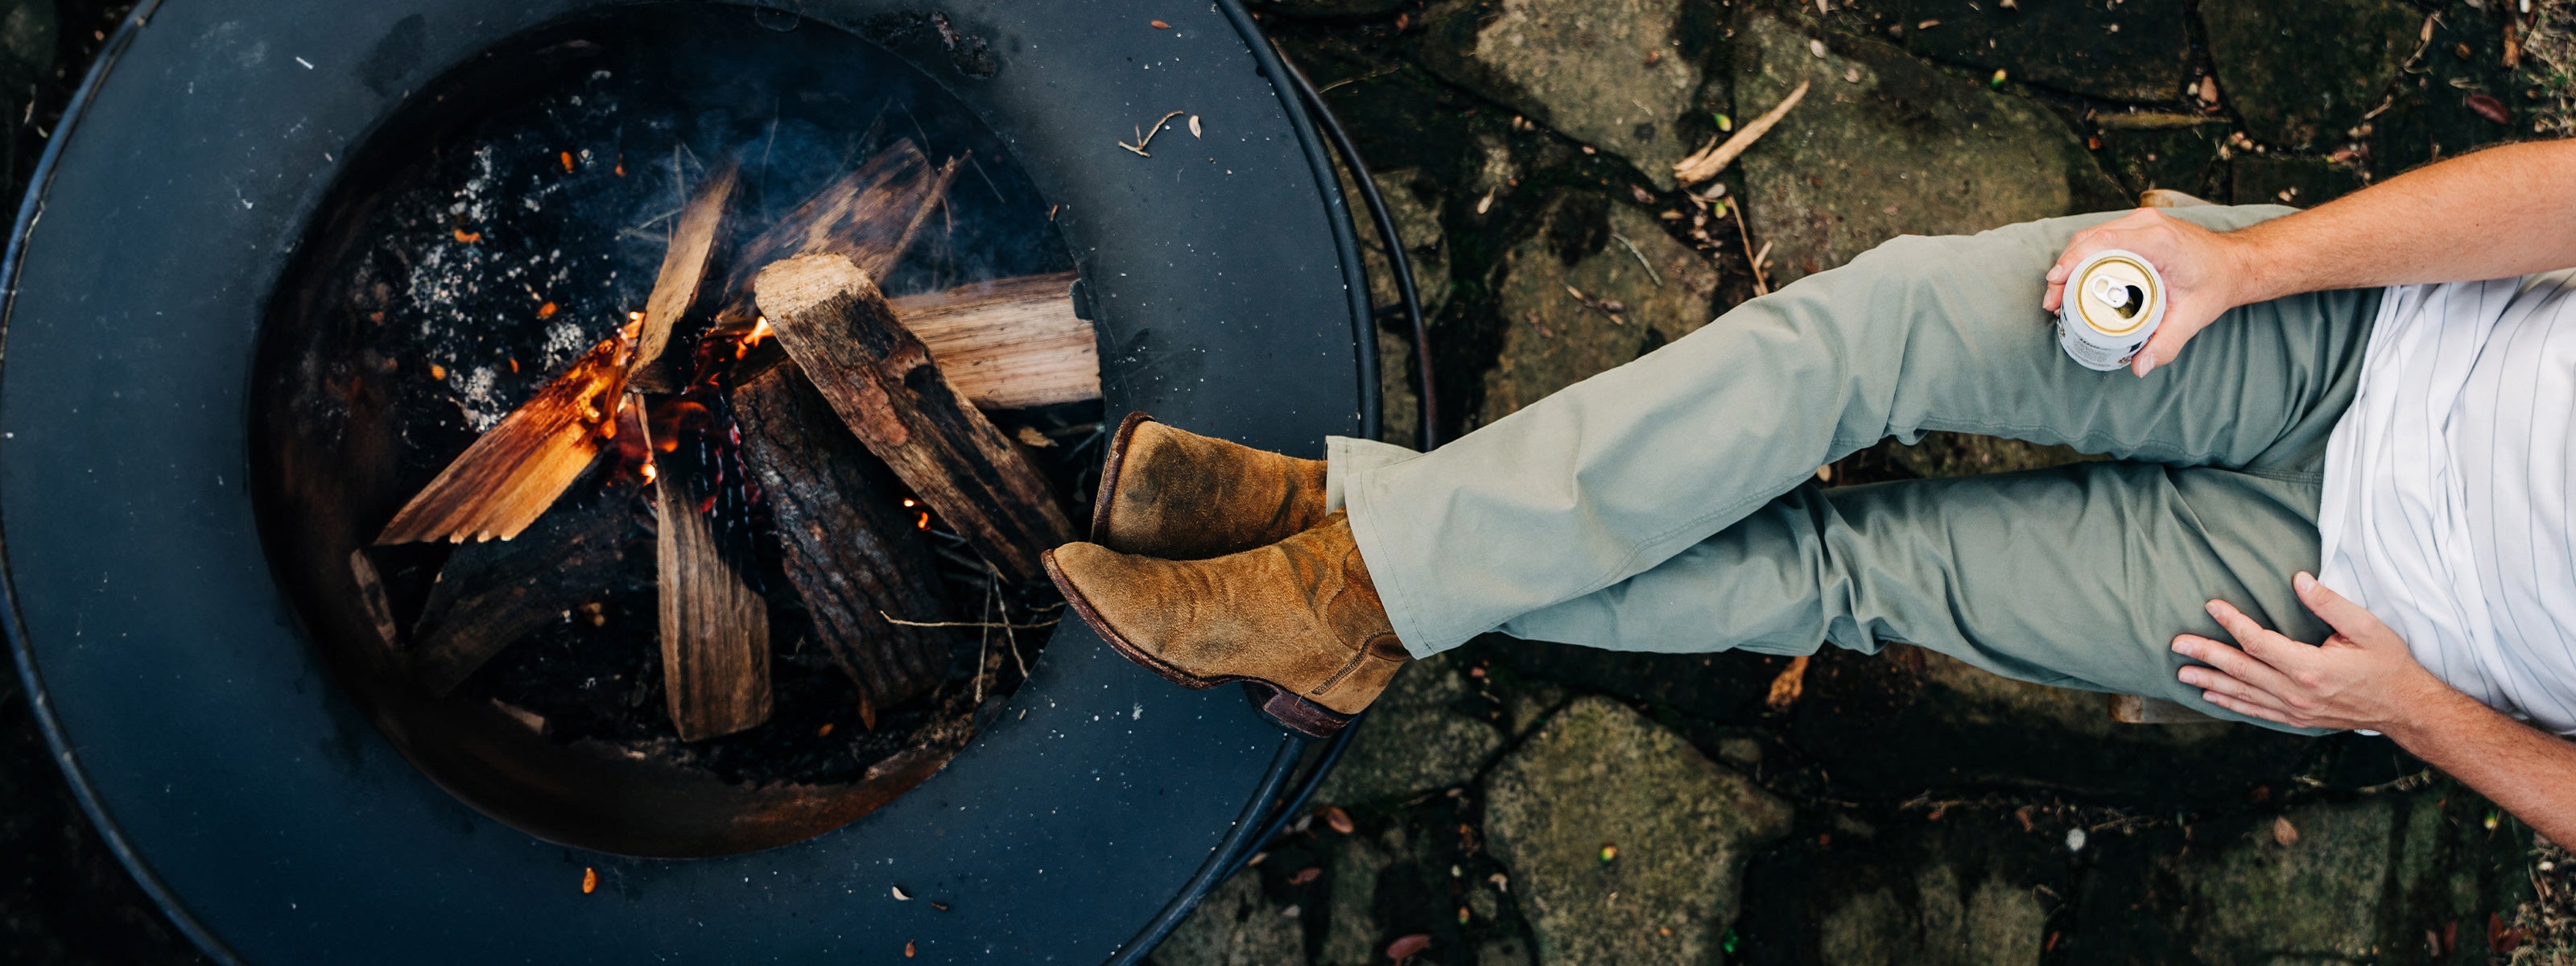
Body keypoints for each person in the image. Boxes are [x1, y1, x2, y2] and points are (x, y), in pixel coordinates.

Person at [1042, 140, 2576, 844]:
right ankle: (1357, 576)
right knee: (1880, 324)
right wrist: (2254, 262)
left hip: (2367, 616)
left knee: (1851, 576)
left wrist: (2415, 710)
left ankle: (1344, 561)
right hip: (2371, 323)